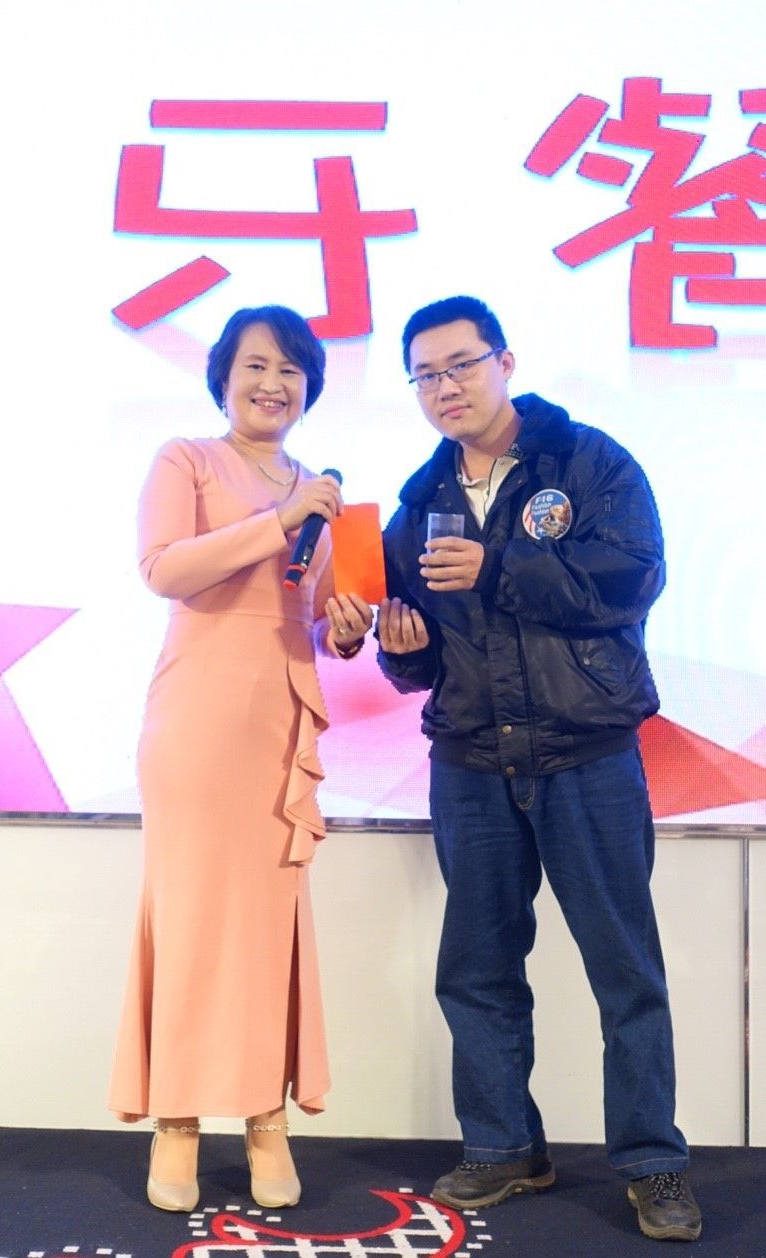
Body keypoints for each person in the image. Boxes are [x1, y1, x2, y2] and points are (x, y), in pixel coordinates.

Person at [376, 295, 701, 1243]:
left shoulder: (589, 462)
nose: (445, 387)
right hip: (471, 761)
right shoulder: (415, 503)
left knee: (624, 969)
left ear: (504, 361)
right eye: (425, 375)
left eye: (461, 364)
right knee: (476, 968)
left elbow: (632, 579)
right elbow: (421, 659)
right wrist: (397, 647)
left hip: (585, 751)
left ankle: (653, 1161)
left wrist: (497, 565)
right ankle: (504, 1145)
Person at [108, 304, 373, 1213]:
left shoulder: (322, 491)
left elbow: (322, 613)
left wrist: (348, 630)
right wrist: (280, 518)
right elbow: (164, 570)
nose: (273, 383)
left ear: (311, 387)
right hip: (196, 718)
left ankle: (266, 1117)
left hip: (279, 724)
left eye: (291, 369)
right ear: (223, 376)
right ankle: (177, 1120)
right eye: (256, 365)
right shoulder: (184, 459)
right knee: (188, 916)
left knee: (268, 925)